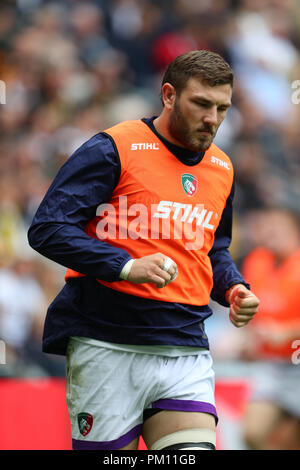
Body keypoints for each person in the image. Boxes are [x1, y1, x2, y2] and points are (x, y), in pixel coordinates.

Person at [28, 50, 259, 451]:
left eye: (222, 108)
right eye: (201, 104)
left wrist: (233, 287)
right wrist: (124, 266)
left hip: (184, 344)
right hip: (106, 342)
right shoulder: (114, 147)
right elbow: (48, 228)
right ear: (168, 95)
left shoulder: (223, 168)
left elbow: (214, 247)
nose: (213, 119)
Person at [241, 208, 300, 450]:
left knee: (290, 441)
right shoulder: (256, 260)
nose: (271, 231)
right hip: (271, 364)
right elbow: (248, 309)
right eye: (268, 225)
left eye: (279, 225)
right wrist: (247, 337)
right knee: (252, 434)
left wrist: (286, 333)